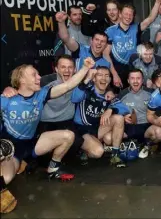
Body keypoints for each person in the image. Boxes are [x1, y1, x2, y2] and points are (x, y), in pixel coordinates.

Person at [0, 57, 95, 186]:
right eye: (34, 75)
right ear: (22, 79)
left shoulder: (41, 95)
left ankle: (53, 169)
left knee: (69, 136)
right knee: (6, 178)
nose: (39, 77)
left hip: (32, 143)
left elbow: (67, 85)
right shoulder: (6, 99)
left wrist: (85, 68)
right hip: (10, 148)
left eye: (38, 74)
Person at [71, 66, 131, 168]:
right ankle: (83, 149)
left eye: (107, 76)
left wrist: (110, 109)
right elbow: (74, 98)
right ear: (94, 78)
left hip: (97, 129)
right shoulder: (87, 90)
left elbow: (125, 109)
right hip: (82, 130)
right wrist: (86, 79)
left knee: (118, 118)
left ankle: (115, 155)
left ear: (110, 80)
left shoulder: (109, 96)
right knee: (98, 152)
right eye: (100, 75)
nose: (104, 78)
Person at [104, 0, 161, 88]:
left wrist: (157, 2)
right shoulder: (110, 31)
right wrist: (114, 74)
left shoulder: (136, 28)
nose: (128, 17)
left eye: (130, 15)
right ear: (120, 14)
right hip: (117, 72)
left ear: (133, 17)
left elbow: (150, 18)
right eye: (126, 14)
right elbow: (105, 54)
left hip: (135, 71)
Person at [117, 69, 155, 159]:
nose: (135, 81)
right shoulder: (122, 94)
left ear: (142, 80)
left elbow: (157, 111)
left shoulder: (151, 93)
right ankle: (123, 146)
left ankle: (147, 145)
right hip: (129, 127)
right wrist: (123, 116)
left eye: (138, 78)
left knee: (158, 133)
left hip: (146, 127)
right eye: (132, 78)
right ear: (128, 81)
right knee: (108, 138)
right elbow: (115, 109)